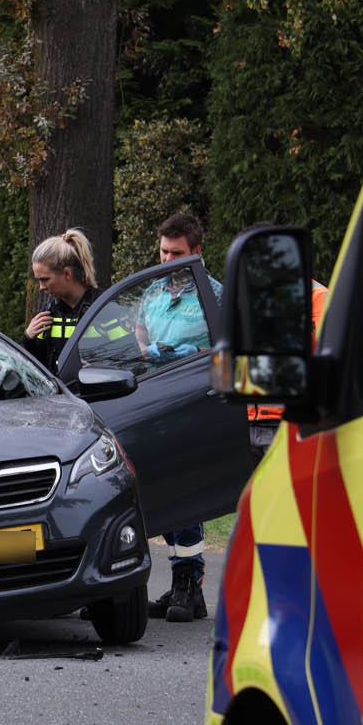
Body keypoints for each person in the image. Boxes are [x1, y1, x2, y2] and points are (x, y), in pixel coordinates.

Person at [139, 212, 224, 624]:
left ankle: (190, 584)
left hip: (195, 406)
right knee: (165, 499)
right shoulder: (151, 294)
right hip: (154, 406)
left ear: (196, 253)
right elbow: (139, 345)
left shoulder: (214, 295)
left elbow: (227, 349)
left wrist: (184, 355)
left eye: (176, 253)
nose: (167, 259)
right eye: (163, 251)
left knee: (186, 496)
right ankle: (183, 586)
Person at [23, 228, 103, 373]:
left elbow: (129, 358)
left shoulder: (103, 308)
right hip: (58, 396)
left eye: (45, 279)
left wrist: (99, 369)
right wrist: (28, 339)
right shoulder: (47, 313)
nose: (41, 287)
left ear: (67, 274)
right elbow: (36, 368)